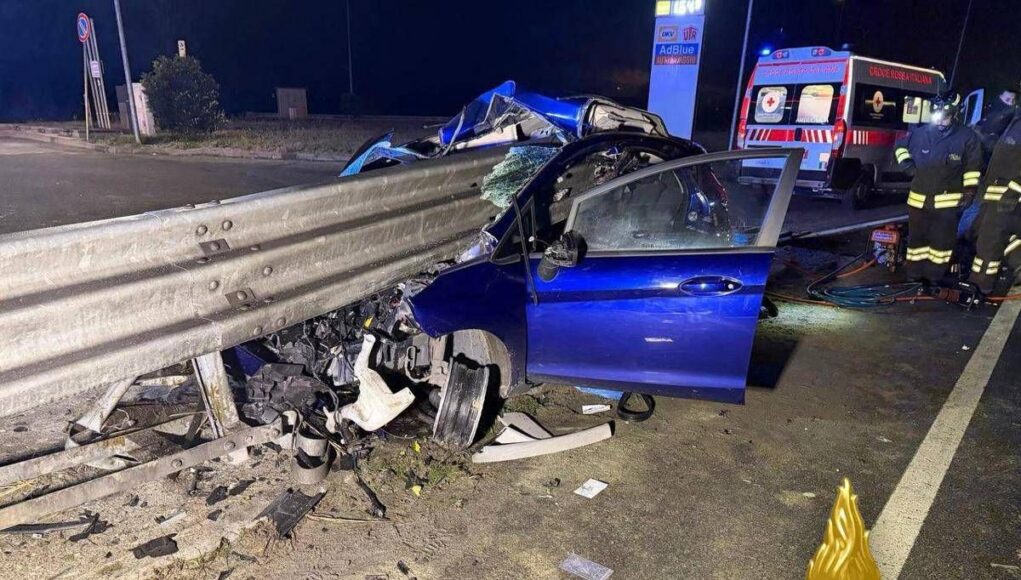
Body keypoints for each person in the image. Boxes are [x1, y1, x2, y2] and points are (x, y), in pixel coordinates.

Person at [894, 92, 984, 283]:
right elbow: (900, 147)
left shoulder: (967, 137)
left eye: (946, 116)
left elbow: (973, 167)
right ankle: (913, 276)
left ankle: (933, 277)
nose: (941, 120)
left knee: (940, 244)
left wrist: (970, 190)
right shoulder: (921, 133)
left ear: (955, 115)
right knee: (916, 243)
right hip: (918, 201)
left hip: (947, 204)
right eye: (938, 116)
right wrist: (907, 166)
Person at [970, 93, 1021, 294]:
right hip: (994, 193)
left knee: (989, 240)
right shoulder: (1014, 122)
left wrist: (1013, 192)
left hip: (1007, 195)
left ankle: (980, 284)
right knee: (982, 230)